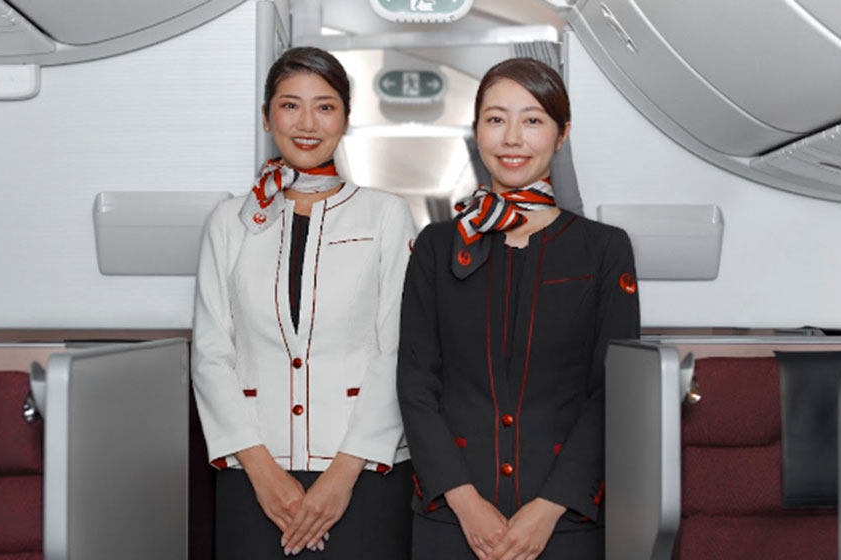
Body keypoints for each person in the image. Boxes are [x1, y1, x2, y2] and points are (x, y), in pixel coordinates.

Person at [397, 57, 640, 560]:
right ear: (476, 131)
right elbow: (416, 385)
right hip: (450, 518)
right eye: (496, 119)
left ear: (561, 133)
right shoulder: (436, 246)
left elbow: (611, 390)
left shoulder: (603, 249)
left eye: (532, 120)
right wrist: (467, 504)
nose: (512, 138)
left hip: (566, 520)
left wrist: (547, 509)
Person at [193, 46, 416, 559]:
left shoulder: (385, 215)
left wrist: (341, 476)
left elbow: (399, 351)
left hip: (366, 470)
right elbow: (210, 354)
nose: (308, 123)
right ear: (266, 117)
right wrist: (263, 471)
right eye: (290, 105)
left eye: (325, 106)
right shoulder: (230, 222)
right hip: (253, 472)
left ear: (346, 119)